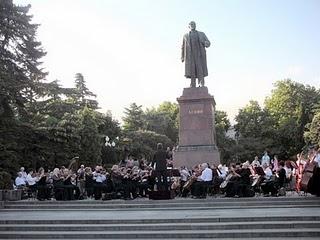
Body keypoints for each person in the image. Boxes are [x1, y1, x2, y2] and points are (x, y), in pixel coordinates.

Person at [181, 21, 210, 87]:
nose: (193, 25)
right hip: (190, 56)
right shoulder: (185, 36)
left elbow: (208, 42)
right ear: (189, 26)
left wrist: (205, 43)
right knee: (192, 70)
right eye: (191, 24)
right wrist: (182, 57)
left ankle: (201, 83)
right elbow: (183, 47)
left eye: (194, 24)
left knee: (200, 69)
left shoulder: (201, 34)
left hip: (199, 55)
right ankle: (193, 84)